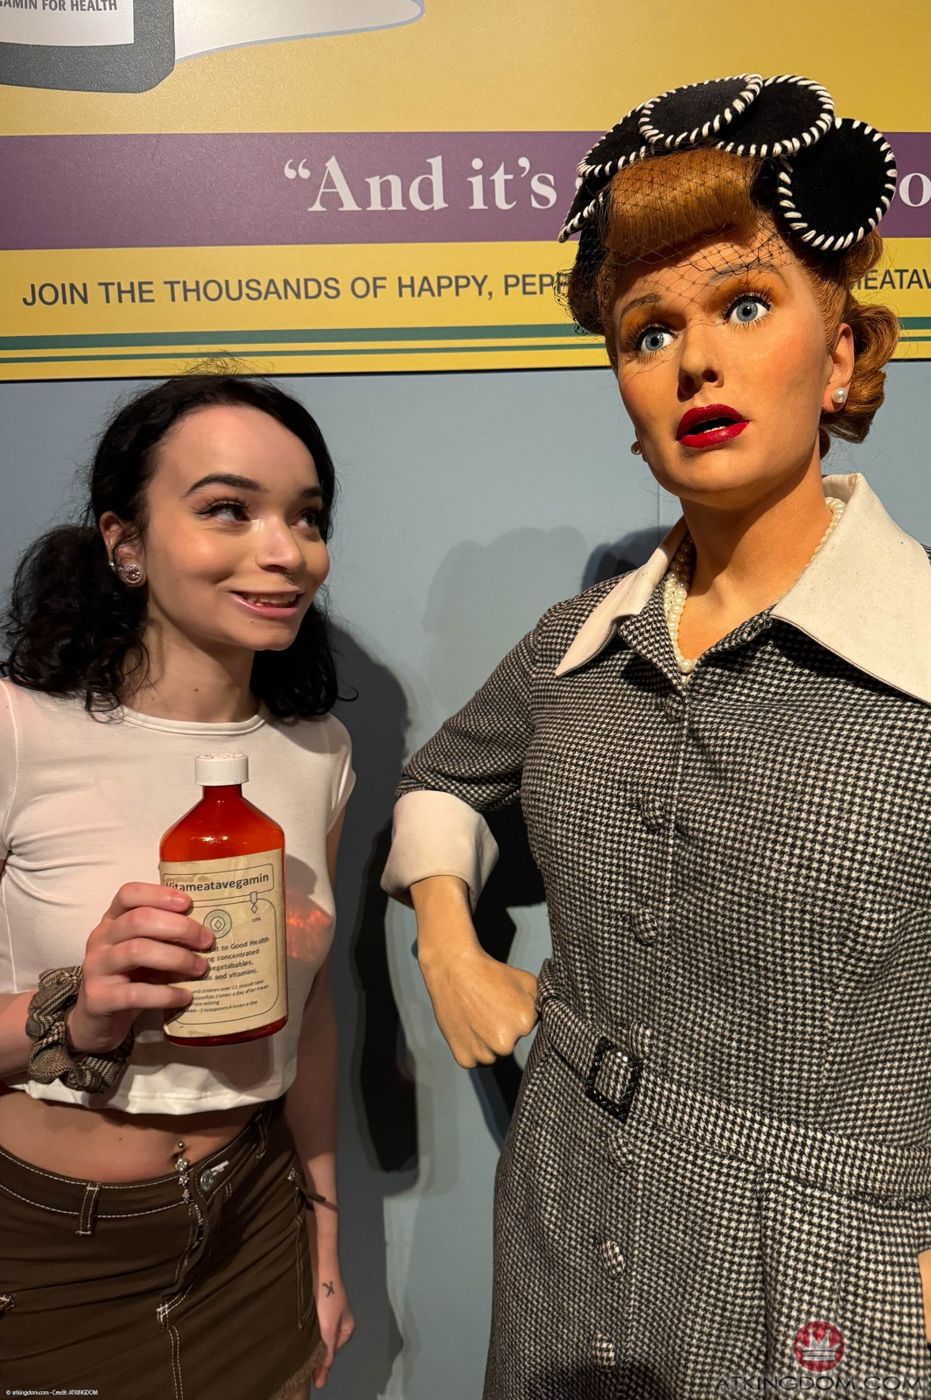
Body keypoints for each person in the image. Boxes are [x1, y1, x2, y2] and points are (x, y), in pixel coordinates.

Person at [382, 75, 931, 1397]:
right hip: (565, 1213)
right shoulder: (577, 640)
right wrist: (448, 942)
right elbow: (438, 783)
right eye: (647, 331)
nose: (693, 361)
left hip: (822, 1263)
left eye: (743, 305)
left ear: (839, 354)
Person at [0, 374, 355, 1397]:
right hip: (50, 1252)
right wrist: (74, 1012)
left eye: (307, 517)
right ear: (126, 541)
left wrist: (323, 1235)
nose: (285, 551)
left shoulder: (317, 752)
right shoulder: (18, 731)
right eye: (228, 509)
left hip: (250, 1225)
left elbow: (311, 1012)